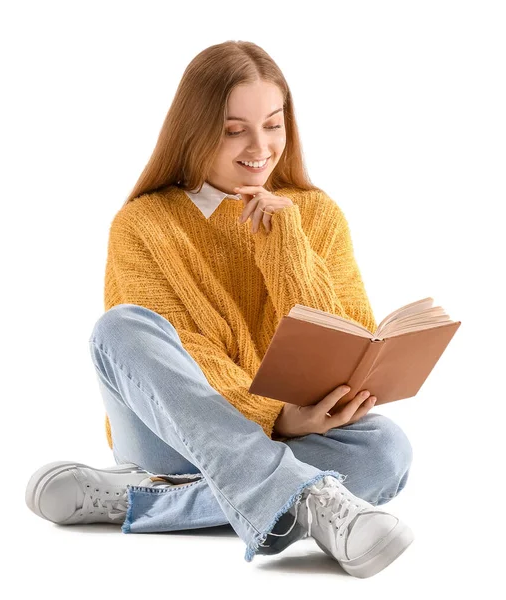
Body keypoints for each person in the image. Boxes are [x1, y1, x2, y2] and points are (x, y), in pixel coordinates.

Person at [24, 40, 414, 578]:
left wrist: (286, 246)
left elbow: (344, 343)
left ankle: (142, 501)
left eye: (274, 125)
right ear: (195, 130)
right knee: (120, 328)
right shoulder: (143, 223)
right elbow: (182, 353)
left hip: (289, 434)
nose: (261, 146)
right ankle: (304, 494)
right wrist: (275, 417)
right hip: (173, 434)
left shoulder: (316, 215)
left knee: (386, 450)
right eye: (235, 130)